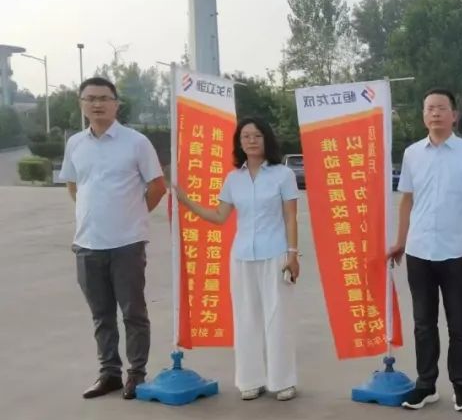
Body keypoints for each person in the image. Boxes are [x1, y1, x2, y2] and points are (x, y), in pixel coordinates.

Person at [174, 117, 301, 401]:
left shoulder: (282, 175)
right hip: (242, 256)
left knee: (278, 318)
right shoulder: (234, 178)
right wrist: (186, 201)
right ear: (239, 142)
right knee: (246, 317)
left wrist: (293, 254)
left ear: (266, 139)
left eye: (257, 135)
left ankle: (283, 381)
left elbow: (290, 216)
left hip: (276, 254)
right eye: (246, 136)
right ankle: (250, 380)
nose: (251, 141)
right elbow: (220, 216)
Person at [60, 77, 167, 400]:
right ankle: (109, 373)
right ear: (81, 104)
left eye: (104, 98)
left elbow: (158, 186)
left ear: (116, 104)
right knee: (101, 315)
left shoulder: (136, 142)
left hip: (127, 244)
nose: (97, 104)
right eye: (90, 98)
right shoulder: (75, 144)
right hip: (87, 244)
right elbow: (73, 186)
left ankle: (136, 374)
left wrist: (133, 215)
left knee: (133, 313)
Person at [387, 88, 462, 412]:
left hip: (457, 253)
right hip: (419, 251)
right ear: (423, 115)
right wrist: (401, 241)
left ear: (454, 115)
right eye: (429, 108)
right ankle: (426, 385)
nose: (435, 113)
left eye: (441, 108)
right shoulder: (412, 154)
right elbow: (407, 200)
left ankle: (461, 387)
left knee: (458, 323)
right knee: (423, 323)